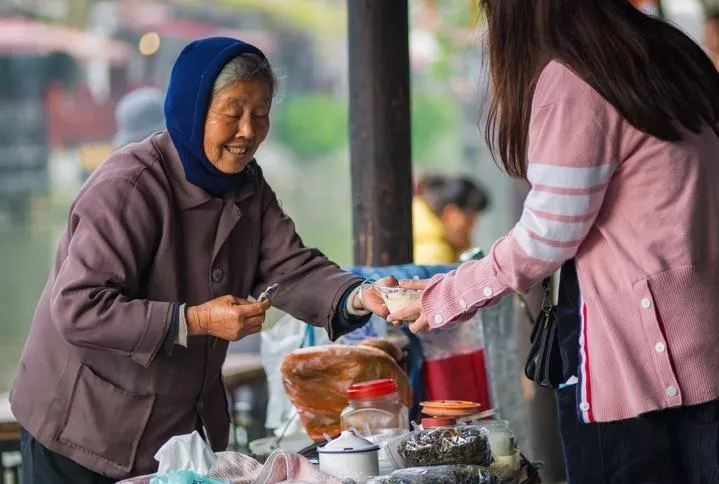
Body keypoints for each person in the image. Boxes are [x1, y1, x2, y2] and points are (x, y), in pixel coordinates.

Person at [10, 37, 391, 483]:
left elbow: (291, 267)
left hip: (168, 437)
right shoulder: (128, 186)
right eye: (233, 113)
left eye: (261, 114)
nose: (248, 131)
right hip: (81, 432)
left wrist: (363, 296)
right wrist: (196, 320)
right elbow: (79, 307)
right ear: (192, 109)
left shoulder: (248, 186)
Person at [389, 1, 719, 482]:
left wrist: (450, 294)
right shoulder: (673, 54)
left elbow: (548, 236)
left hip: (632, 362)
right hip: (704, 339)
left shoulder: (576, 82)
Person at [412, 174, 489, 264]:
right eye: (468, 221)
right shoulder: (437, 253)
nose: (471, 229)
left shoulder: (416, 207)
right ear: (450, 213)